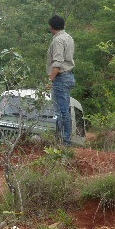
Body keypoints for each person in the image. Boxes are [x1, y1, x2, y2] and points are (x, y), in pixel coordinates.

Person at [46, 14, 75, 146]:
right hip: (68, 76)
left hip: (61, 77)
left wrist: (49, 80)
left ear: (52, 27)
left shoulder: (58, 40)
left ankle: (64, 141)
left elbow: (57, 63)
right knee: (64, 110)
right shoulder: (68, 37)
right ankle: (64, 140)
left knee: (60, 112)